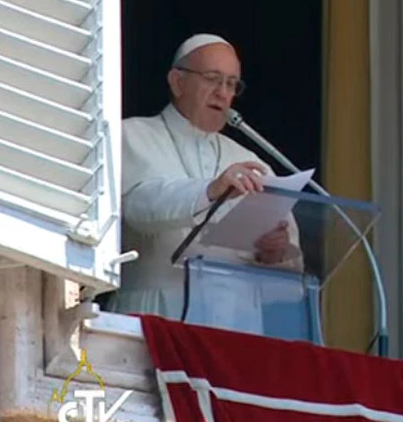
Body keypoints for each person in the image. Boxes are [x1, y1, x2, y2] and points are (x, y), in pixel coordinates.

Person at [108, 33, 304, 328]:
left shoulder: (250, 160)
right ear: (177, 82)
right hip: (157, 314)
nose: (223, 93)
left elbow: (292, 285)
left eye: (231, 84)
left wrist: (277, 254)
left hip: (237, 324)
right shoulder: (130, 135)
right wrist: (211, 190)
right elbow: (140, 208)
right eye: (212, 79)